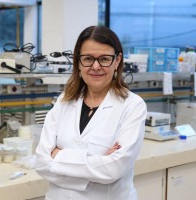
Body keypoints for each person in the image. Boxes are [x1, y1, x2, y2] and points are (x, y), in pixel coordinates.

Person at [35, 25, 147, 200]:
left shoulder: (132, 106)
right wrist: (96, 164)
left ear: (117, 61)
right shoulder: (64, 100)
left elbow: (113, 169)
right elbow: (42, 163)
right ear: (78, 62)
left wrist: (58, 156)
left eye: (104, 59)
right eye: (88, 58)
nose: (95, 66)